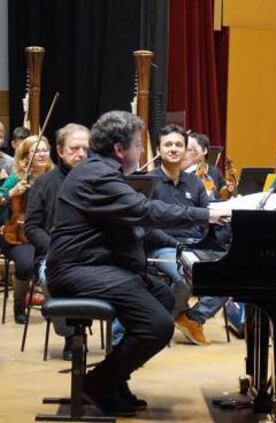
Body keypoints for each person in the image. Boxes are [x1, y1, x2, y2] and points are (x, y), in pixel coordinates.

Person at [45, 111, 229, 417]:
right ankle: (98, 383)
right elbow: (145, 210)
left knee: (165, 296)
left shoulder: (102, 170)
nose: (142, 152)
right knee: (157, 326)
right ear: (120, 148)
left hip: (96, 265)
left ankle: (114, 380)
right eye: (138, 146)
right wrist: (206, 214)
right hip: (76, 270)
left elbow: (136, 222)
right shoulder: (98, 176)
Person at [148, 124, 228, 346]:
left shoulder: (194, 182)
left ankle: (192, 318)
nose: (174, 149)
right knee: (185, 275)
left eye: (179, 145)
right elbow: (146, 225)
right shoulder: (148, 181)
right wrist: (175, 244)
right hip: (164, 246)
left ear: (185, 150)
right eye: (168, 144)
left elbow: (207, 216)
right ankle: (161, 324)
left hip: (196, 245)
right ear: (158, 150)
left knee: (232, 271)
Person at [25, 123, 90, 359]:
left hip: (90, 255)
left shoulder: (98, 182)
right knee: (49, 277)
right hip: (53, 255)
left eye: (85, 148)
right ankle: (71, 335)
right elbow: (31, 226)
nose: (81, 154)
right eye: (74, 148)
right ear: (60, 151)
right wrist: (55, 249)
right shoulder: (43, 183)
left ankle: (119, 337)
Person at [0, 136, 54, 323]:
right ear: (25, 157)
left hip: (48, 234)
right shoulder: (16, 178)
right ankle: (19, 305)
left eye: (44, 150)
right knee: (25, 265)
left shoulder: (54, 177)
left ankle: (54, 307)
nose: (41, 154)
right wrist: (11, 193)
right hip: (18, 236)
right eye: (36, 151)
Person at [183, 132, 233, 200]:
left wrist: (228, 190)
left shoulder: (215, 172)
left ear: (204, 150)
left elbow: (223, 195)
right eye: (188, 149)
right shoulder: (183, 173)